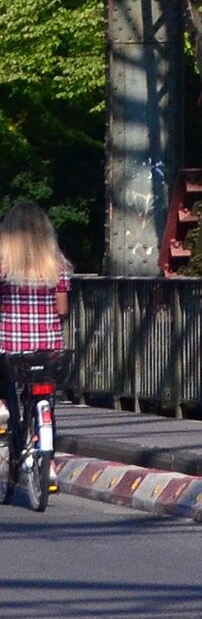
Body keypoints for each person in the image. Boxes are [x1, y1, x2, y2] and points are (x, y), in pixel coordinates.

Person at [0, 200, 68, 509]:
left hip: (11, 347)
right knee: (46, 398)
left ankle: (3, 407)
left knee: (6, 380)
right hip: (47, 348)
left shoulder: (3, 263)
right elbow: (62, 309)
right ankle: (48, 462)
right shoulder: (57, 263)